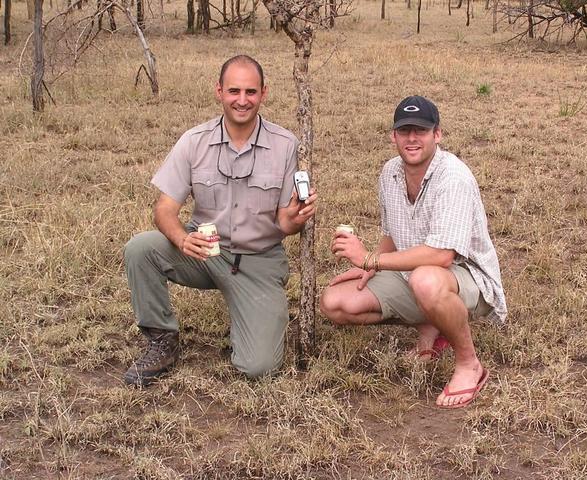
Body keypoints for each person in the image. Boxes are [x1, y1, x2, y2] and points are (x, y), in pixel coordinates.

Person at [123, 55, 317, 386]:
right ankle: (162, 341)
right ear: (219, 91)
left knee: (259, 367)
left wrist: (299, 217)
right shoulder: (194, 141)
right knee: (141, 249)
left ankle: (248, 319)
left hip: (258, 260)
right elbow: (164, 209)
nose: (242, 100)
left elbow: (285, 224)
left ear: (264, 93)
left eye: (251, 92)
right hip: (205, 251)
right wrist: (184, 239)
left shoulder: (286, 145)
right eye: (234, 91)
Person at [320, 96, 506, 409]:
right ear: (393, 136)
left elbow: (442, 256)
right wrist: (371, 268)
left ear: (438, 134)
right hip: (415, 274)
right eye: (404, 130)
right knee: (335, 302)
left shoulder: (453, 177)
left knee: (426, 281)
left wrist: (370, 258)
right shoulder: (390, 172)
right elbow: (393, 233)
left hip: (466, 277)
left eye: (421, 130)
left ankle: (468, 364)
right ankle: (430, 324)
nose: (412, 138)